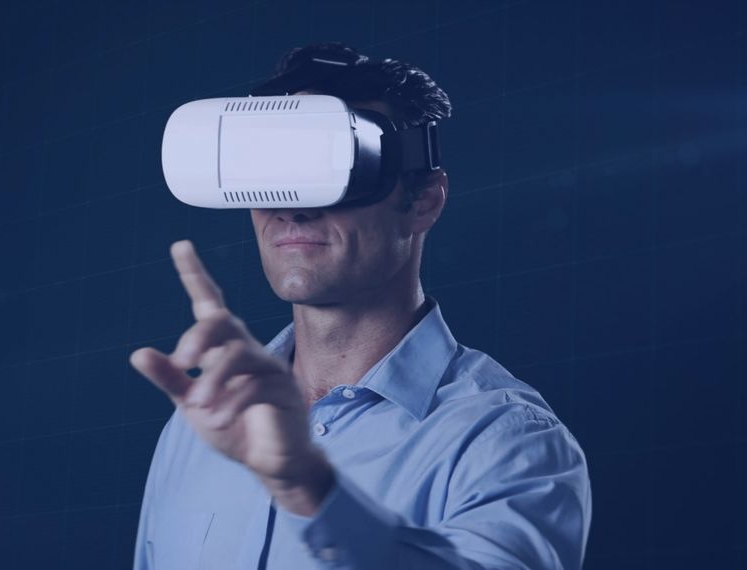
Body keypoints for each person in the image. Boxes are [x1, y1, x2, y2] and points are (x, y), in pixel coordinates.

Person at [129, 42, 591, 569]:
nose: (292, 206)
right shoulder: (200, 425)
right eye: (272, 168)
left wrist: (312, 490)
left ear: (423, 201)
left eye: (333, 164)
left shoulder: (504, 440)